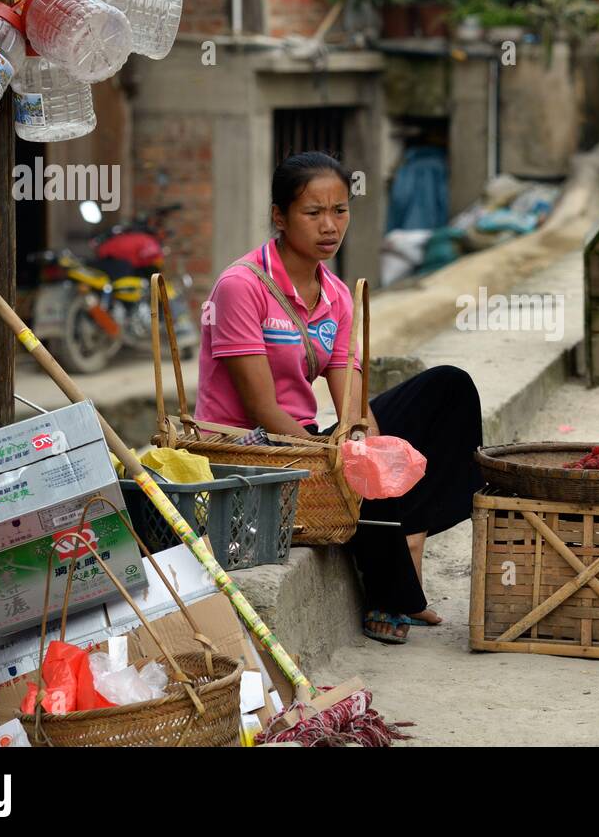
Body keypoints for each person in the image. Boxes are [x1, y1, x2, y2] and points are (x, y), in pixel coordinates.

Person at [195, 151, 485, 644]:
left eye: (340, 211)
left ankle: (410, 535)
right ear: (280, 217)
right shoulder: (241, 287)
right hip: (251, 452)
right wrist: (343, 456)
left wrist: (368, 443)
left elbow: (351, 400)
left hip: (307, 444)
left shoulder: (336, 295)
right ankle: (392, 589)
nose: (330, 226)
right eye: (313, 213)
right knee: (350, 465)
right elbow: (263, 410)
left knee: (448, 388)